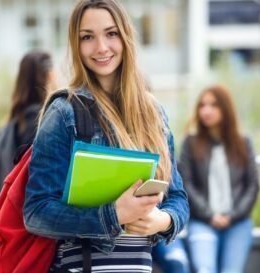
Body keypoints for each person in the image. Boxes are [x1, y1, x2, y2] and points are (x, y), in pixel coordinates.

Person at [23, 1, 189, 272]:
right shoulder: (64, 111)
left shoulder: (154, 112)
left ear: (126, 37)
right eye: (87, 37)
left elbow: (178, 196)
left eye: (111, 34)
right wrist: (113, 216)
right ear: (76, 46)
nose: (101, 47)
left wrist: (164, 221)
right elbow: (36, 212)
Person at [180, 84, 260, 273]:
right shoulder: (190, 143)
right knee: (204, 269)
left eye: (214, 105)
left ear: (226, 109)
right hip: (202, 221)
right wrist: (210, 215)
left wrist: (232, 216)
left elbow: (253, 187)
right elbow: (186, 184)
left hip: (238, 223)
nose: (206, 110)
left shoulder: (243, 143)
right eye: (202, 105)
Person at [0, 50, 55, 217]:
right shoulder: (45, 122)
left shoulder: (10, 125)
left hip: (7, 217)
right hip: (29, 224)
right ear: (48, 75)